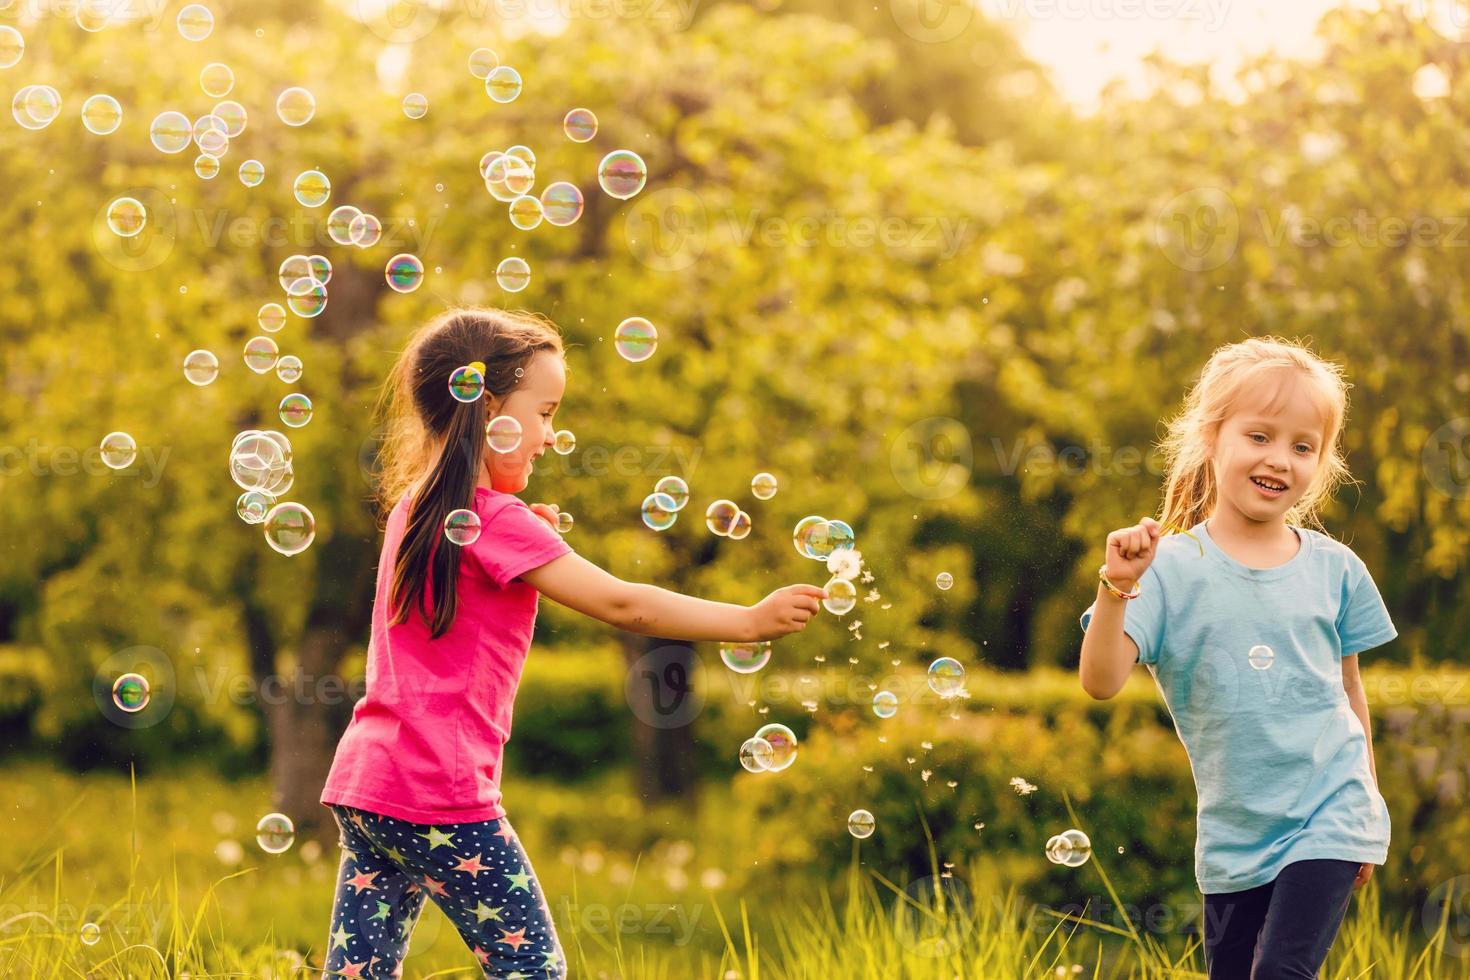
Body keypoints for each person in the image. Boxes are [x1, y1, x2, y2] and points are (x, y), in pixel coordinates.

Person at [318, 307, 826, 978]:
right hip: (440, 790)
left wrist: (522, 526)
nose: (552, 437)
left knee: (359, 973)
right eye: (547, 412)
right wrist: (747, 621)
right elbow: (623, 604)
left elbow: (471, 571)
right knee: (533, 968)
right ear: (487, 408)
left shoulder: (417, 505)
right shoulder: (495, 523)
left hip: (369, 784)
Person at [1077, 336, 1396, 979]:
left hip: (1330, 812)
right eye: (1259, 437)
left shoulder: (1336, 570)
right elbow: (1101, 681)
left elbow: (1348, 692)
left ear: (1323, 463)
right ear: (1211, 437)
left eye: (1303, 447)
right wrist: (1116, 588)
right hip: (1233, 835)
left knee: (1281, 972)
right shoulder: (1167, 570)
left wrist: (1368, 801)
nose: (1280, 459)